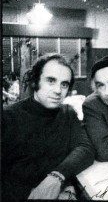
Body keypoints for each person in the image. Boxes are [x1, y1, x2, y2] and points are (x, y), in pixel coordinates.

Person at [1, 54, 95, 200]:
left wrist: (58, 178)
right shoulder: (7, 117)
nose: (58, 90)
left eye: (64, 84)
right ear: (35, 81)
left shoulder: (68, 113)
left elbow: (85, 149)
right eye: (51, 81)